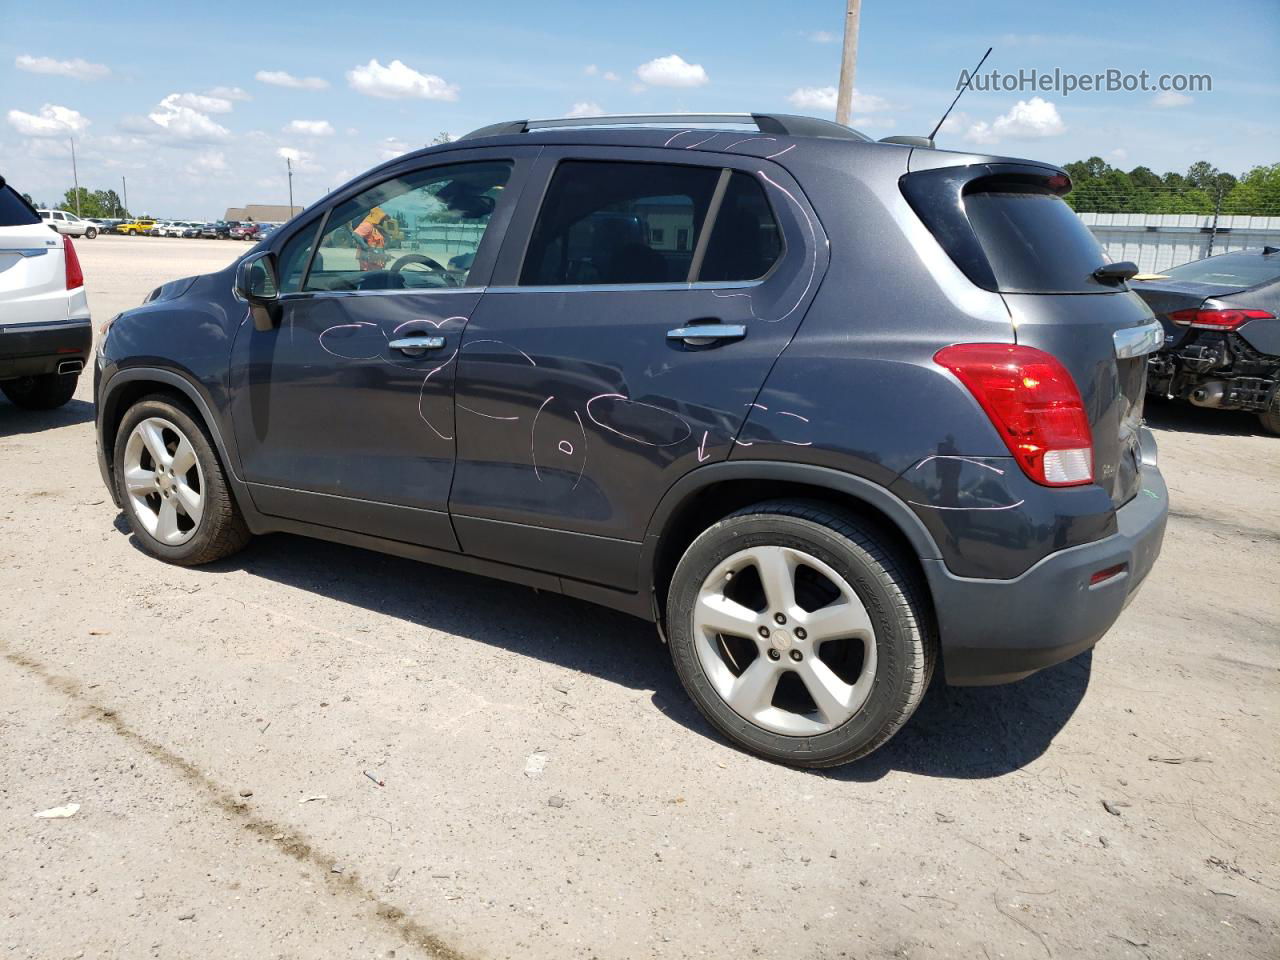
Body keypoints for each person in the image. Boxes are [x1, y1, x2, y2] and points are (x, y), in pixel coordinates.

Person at [353, 206, 392, 272]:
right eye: (382, 219)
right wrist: (367, 248)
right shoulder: (367, 225)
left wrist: (383, 255)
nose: (383, 221)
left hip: (376, 263)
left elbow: (381, 245)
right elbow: (356, 235)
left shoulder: (377, 229)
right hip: (368, 265)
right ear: (377, 217)